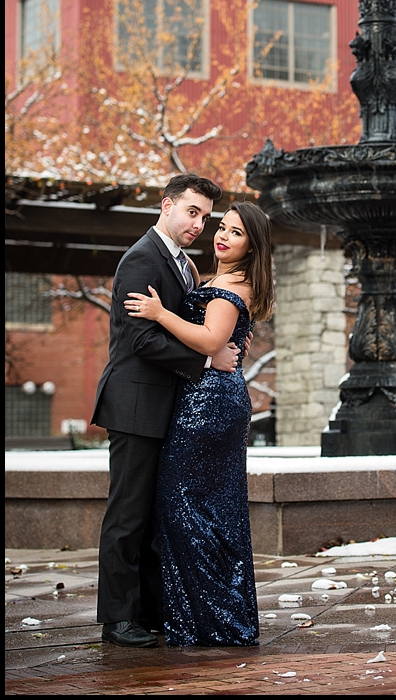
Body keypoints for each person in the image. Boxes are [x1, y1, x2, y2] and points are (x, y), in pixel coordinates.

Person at [91, 174, 241, 648]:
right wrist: (205, 359)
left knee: (157, 516)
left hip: (166, 405)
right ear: (167, 205)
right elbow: (140, 338)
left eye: (205, 216)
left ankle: (150, 612)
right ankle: (117, 620)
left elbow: (192, 322)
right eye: (191, 212)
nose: (199, 224)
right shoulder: (141, 259)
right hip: (135, 404)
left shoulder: (183, 265)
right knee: (128, 516)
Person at [125, 200, 275, 646]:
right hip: (205, 398)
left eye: (236, 233)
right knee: (206, 512)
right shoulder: (217, 277)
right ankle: (209, 619)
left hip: (209, 406)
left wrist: (160, 314)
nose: (222, 236)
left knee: (187, 508)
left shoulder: (237, 284)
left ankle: (212, 622)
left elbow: (211, 339)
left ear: (253, 246)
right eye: (222, 227)